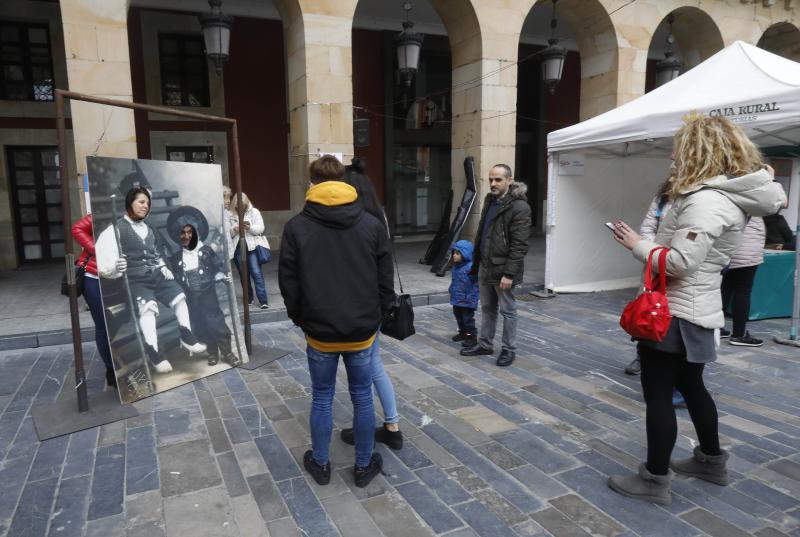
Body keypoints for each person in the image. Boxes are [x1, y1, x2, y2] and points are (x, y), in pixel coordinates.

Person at [608, 115, 786, 505]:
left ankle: (654, 480)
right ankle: (710, 462)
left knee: (658, 394)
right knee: (691, 386)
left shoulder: (706, 200)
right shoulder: (715, 196)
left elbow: (679, 263)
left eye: (681, 147)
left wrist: (636, 244)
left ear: (700, 152)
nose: (673, 155)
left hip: (676, 315)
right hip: (693, 312)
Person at [279, 155, 395, 488]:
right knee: (361, 396)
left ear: (312, 183)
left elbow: (289, 281)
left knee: (321, 396)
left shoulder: (296, 226)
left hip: (319, 331)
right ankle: (362, 465)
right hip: (361, 330)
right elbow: (384, 280)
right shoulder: (371, 224)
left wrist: (301, 317)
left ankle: (320, 462)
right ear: (342, 180)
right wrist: (377, 316)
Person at [96, 186, 207, 374]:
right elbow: (103, 262)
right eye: (141, 202)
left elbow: (157, 253)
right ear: (129, 204)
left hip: (157, 275)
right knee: (147, 309)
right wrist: (116, 267)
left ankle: (187, 337)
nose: (145, 206)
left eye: (147, 203)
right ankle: (154, 352)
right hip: (135, 279)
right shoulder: (115, 231)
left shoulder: (149, 228)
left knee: (180, 296)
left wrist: (163, 267)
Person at [338, 158, 403, 450]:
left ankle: (387, 426)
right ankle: (392, 424)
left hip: (360, 307)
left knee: (367, 370)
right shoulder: (378, 217)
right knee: (373, 365)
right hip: (374, 305)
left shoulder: (356, 223)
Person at [461, 164, 531, 367]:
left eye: (498, 179)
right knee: (487, 308)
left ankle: (509, 349)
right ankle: (485, 344)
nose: (493, 183)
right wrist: (476, 265)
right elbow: (483, 233)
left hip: (503, 270)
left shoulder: (520, 207)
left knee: (508, 311)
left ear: (509, 180)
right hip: (485, 265)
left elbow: (519, 245)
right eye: (491, 179)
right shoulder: (490, 200)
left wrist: (509, 274)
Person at [167, 206, 241, 368]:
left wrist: (222, 276)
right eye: (183, 234)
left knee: (216, 323)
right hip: (191, 298)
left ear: (196, 233)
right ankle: (212, 352)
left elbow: (217, 269)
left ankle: (227, 352)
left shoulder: (206, 252)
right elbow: (175, 278)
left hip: (208, 295)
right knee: (201, 325)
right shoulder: (176, 259)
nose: (187, 236)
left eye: (190, 233)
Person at [72, 213, 116, 388]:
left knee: (117, 321)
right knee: (103, 325)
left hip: (117, 279)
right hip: (94, 277)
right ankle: (111, 369)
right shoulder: (101, 212)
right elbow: (77, 228)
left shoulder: (136, 218)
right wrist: (96, 249)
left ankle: (119, 362)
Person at [720, 217, 766, 346]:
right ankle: (738, 335)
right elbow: (775, 205)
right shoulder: (754, 197)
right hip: (747, 247)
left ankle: (716, 328)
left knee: (725, 288)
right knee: (743, 290)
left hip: (728, 244)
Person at [230, 192, 269, 309]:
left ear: (246, 203)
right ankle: (249, 298)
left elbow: (261, 228)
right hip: (238, 247)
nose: (241, 208)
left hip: (252, 247)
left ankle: (263, 301)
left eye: (243, 205)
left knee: (256, 273)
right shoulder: (230, 214)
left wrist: (249, 227)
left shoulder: (254, 212)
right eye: (238, 206)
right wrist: (235, 229)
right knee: (243, 274)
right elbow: (228, 233)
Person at [449, 240, 479, 348]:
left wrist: (471, 297)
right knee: (459, 317)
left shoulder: (471, 267)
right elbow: (454, 282)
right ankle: (463, 332)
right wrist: (451, 290)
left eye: (457, 253)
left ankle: (471, 336)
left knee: (468, 319)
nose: (454, 255)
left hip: (467, 300)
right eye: (453, 253)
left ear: (465, 254)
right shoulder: (456, 267)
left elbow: (475, 283)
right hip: (457, 298)